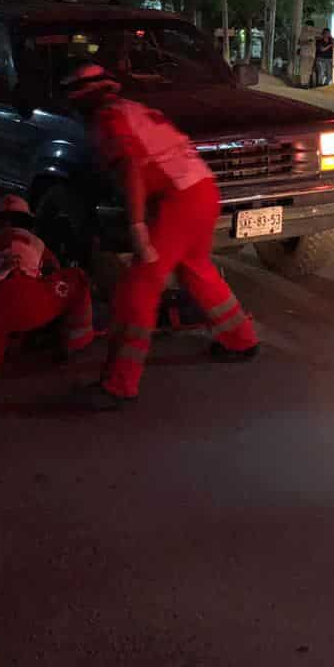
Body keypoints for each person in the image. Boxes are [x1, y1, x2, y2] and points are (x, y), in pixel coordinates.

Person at [61, 63, 258, 410]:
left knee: (139, 286)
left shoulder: (109, 119)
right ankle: (241, 339)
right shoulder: (133, 108)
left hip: (177, 199)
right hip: (202, 189)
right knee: (195, 268)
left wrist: (137, 226)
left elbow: (132, 168)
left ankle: (118, 385)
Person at [0, 194, 95, 389]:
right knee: (76, 278)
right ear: (26, 222)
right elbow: (54, 271)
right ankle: (77, 341)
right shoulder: (33, 241)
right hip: (19, 296)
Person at [295, 19, 318, 89]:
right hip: (306, 53)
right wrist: (307, 42)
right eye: (307, 26)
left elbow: (301, 42)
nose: (308, 27)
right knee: (304, 68)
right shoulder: (304, 32)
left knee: (307, 69)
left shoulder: (313, 32)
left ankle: (305, 83)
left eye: (309, 26)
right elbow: (299, 42)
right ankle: (304, 83)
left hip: (310, 54)